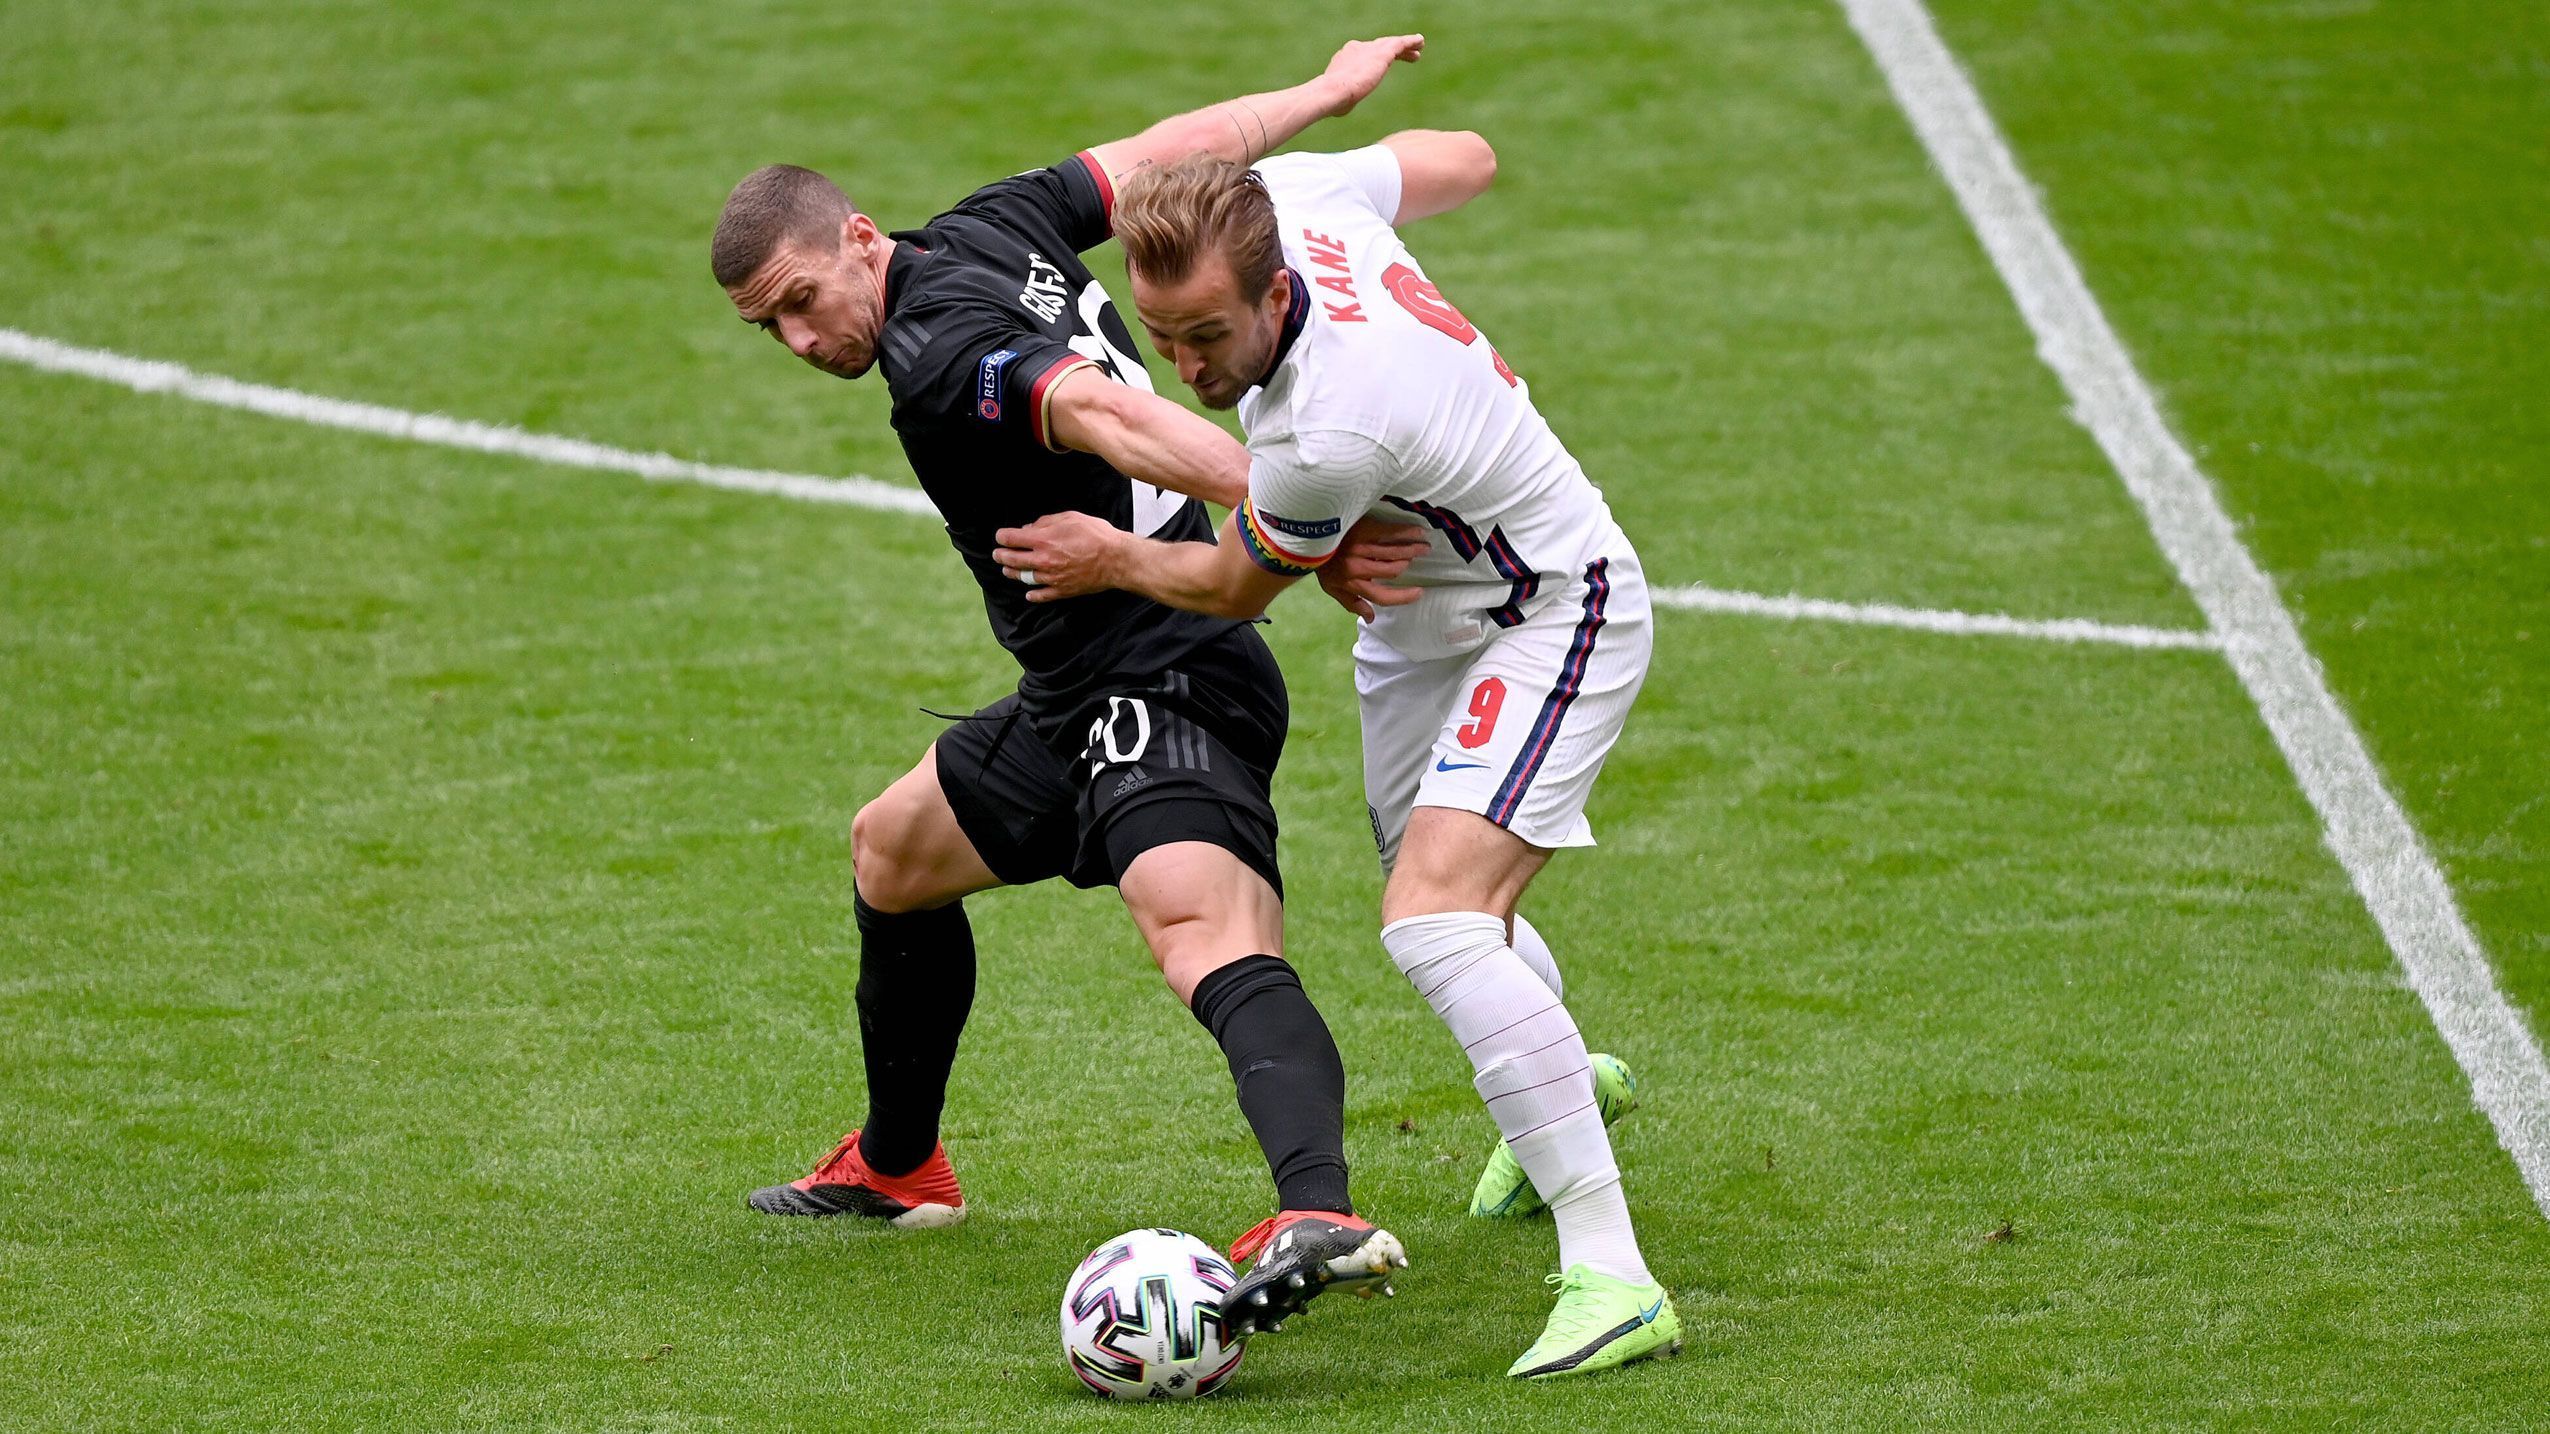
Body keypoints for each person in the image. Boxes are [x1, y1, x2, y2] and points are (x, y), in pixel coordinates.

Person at [707, 38, 1432, 1335]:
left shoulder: (938, 356)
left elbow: (1108, 416)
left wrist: (1282, 521)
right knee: (892, 852)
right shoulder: (992, 222)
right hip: (1069, 691)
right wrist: (1314, 97)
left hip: (1166, 669)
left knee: (1204, 937)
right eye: (771, 327)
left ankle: (1315, 1208)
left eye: (803, 299)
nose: (802, 339)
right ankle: (897, 1163)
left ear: (859, 238)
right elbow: (1174, 148)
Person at [989, 137, 1680, 1379]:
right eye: (1164, 337)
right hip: (1422, 618)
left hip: (1546, 611)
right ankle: (1563, 1085)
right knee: (1438, 899)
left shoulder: (1329, 429)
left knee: (1435, 919)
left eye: (1208, 337)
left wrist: (1105, 553)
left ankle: (1613, 1273)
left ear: (1271, 291)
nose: (1189, 372)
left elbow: (1229, 585)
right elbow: (1460, 156)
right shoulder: (1293, 195)